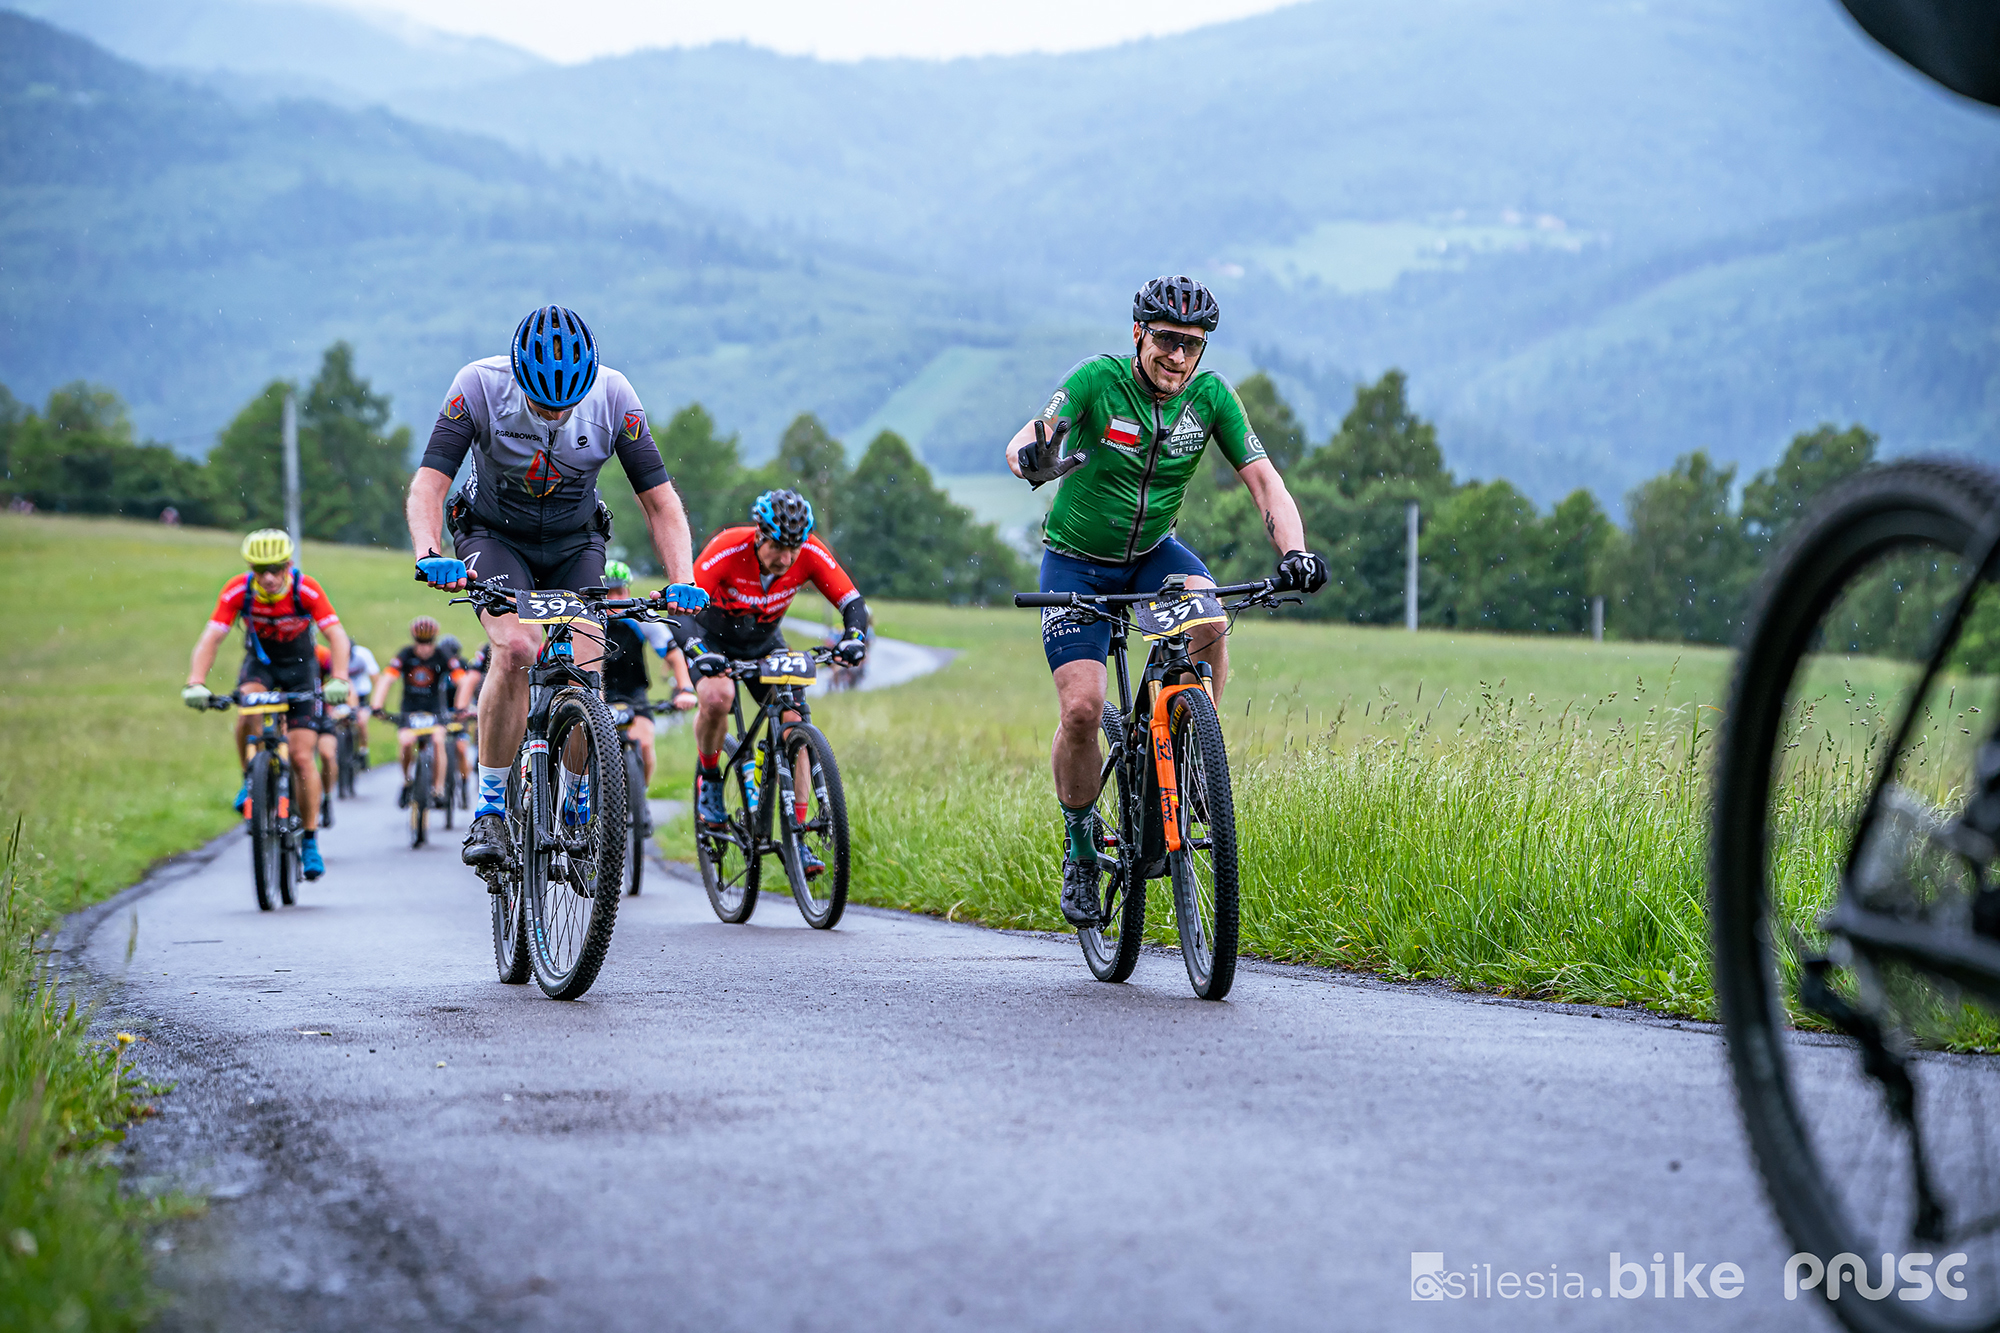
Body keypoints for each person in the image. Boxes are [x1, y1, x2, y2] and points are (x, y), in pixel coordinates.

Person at [1004, 275, 1329, 926]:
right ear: (1139, 334)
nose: (1178, 356)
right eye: (1166, 340)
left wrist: (1295, 552)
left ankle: (1194, 751)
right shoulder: (1098, 380)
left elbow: (1264, 482)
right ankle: (1080, 847)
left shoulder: (1211, 399)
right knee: (1082, 709)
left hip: (1155, 554)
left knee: (1210, 614)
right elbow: (1034, 434)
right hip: (1077, 563)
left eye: (1192, 344)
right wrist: (1031, 456)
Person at [404, 304, 707, 876]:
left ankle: (574, 797)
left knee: (584, 665)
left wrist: (682, 578)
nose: (555, 414)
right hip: (493, 536)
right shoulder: (478, 386)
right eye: (543, 404)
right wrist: (429, 552)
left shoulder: (615, 396)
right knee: (517, 649)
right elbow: (429, 484)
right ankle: (491, 808)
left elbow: (659, 501)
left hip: (574, 543)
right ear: (518, 375)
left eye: (566, 404)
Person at [676, 489, 868, 877]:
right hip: (714, 641)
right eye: (778, 547)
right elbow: (683, 610)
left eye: (793, 549)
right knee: (717, 697)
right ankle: (710, 779)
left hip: (765, 642)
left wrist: (854, 638)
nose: (786, 558)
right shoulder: (728, 548)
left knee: (795, 722)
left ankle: (799, 837)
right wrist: (697, 651)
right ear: (759, 535)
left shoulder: (809, 551)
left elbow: (852, 603)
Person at [181, 529, 352, 881]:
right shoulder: (238, 590)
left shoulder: (306, 589)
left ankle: (309, 839)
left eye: (276, 568)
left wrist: (339, 678)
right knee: (247, 707)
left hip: (301, 670)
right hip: (261, 666)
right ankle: (251, 779)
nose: (269, 577)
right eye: (261, 569)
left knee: (302, 757)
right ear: (251, 569)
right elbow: (211, 637)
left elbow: (336, 635)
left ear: (288, 565)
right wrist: (195, 682)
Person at [600, 559, 695, 790]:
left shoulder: (640, 617)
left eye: (619, 592)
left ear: (628, 591)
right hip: (597, 694)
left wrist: (684, 689)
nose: (614, 599)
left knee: (643, 745)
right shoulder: (589, 619)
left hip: (633, 694)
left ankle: (639, 799)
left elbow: (674, 655)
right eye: (608, 593)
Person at [369, 617, 464, 810]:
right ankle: (406, 781)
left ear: (434, 641)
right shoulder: (405, 654)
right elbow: (387, 679)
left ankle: (438, 789)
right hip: (410, 709)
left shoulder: (442, 655)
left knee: (438, 740)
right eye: (420, 642)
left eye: (428, 642)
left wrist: (461, 707)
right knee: (406, 742)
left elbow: (462, 680)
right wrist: (377, 705)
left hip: (434, 709)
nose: (424, 648)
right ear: (414, 640)